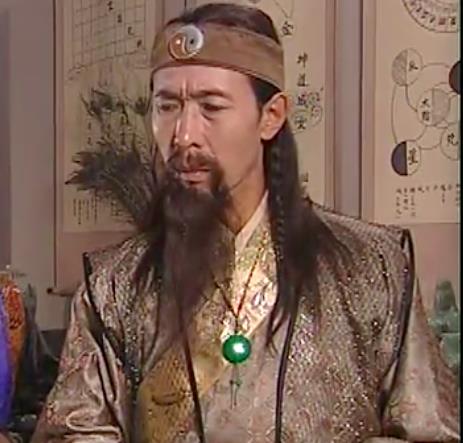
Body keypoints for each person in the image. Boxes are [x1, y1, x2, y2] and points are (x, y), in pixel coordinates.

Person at [32, 3, 459, 442]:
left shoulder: (372, 267)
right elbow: (74, 431)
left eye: (211, 107)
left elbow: (429, 430)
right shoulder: (114, 286)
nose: (183, 135)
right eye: (167, 106)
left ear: (271, 116)